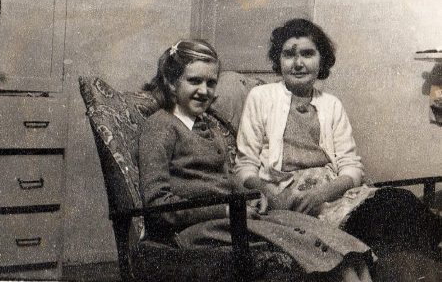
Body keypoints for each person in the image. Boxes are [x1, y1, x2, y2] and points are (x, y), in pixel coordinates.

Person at [139, 39, 374, 281]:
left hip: (228, 219)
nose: (204, 90)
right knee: (313, 247)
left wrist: (255, 193)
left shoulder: (207, 126)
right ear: (171, 82)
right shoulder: (160, 127)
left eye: (211, 83)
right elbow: (158, 206)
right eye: (194, 81)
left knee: (334, 242)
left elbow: (226, 179)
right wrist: (226, 209)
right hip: (193, 230)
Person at [235, 18, 442, 259]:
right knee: (382, 220)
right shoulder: (260, 97)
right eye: (289, 54)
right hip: (291, 200)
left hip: (332, 194)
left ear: (321, 59)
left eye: (307, 54)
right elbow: (244, 166)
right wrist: (270, 194)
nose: (298, 63)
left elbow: (352, 168)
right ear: (278, 59)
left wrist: (324, 193)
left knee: (399, 199)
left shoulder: (331, 104)